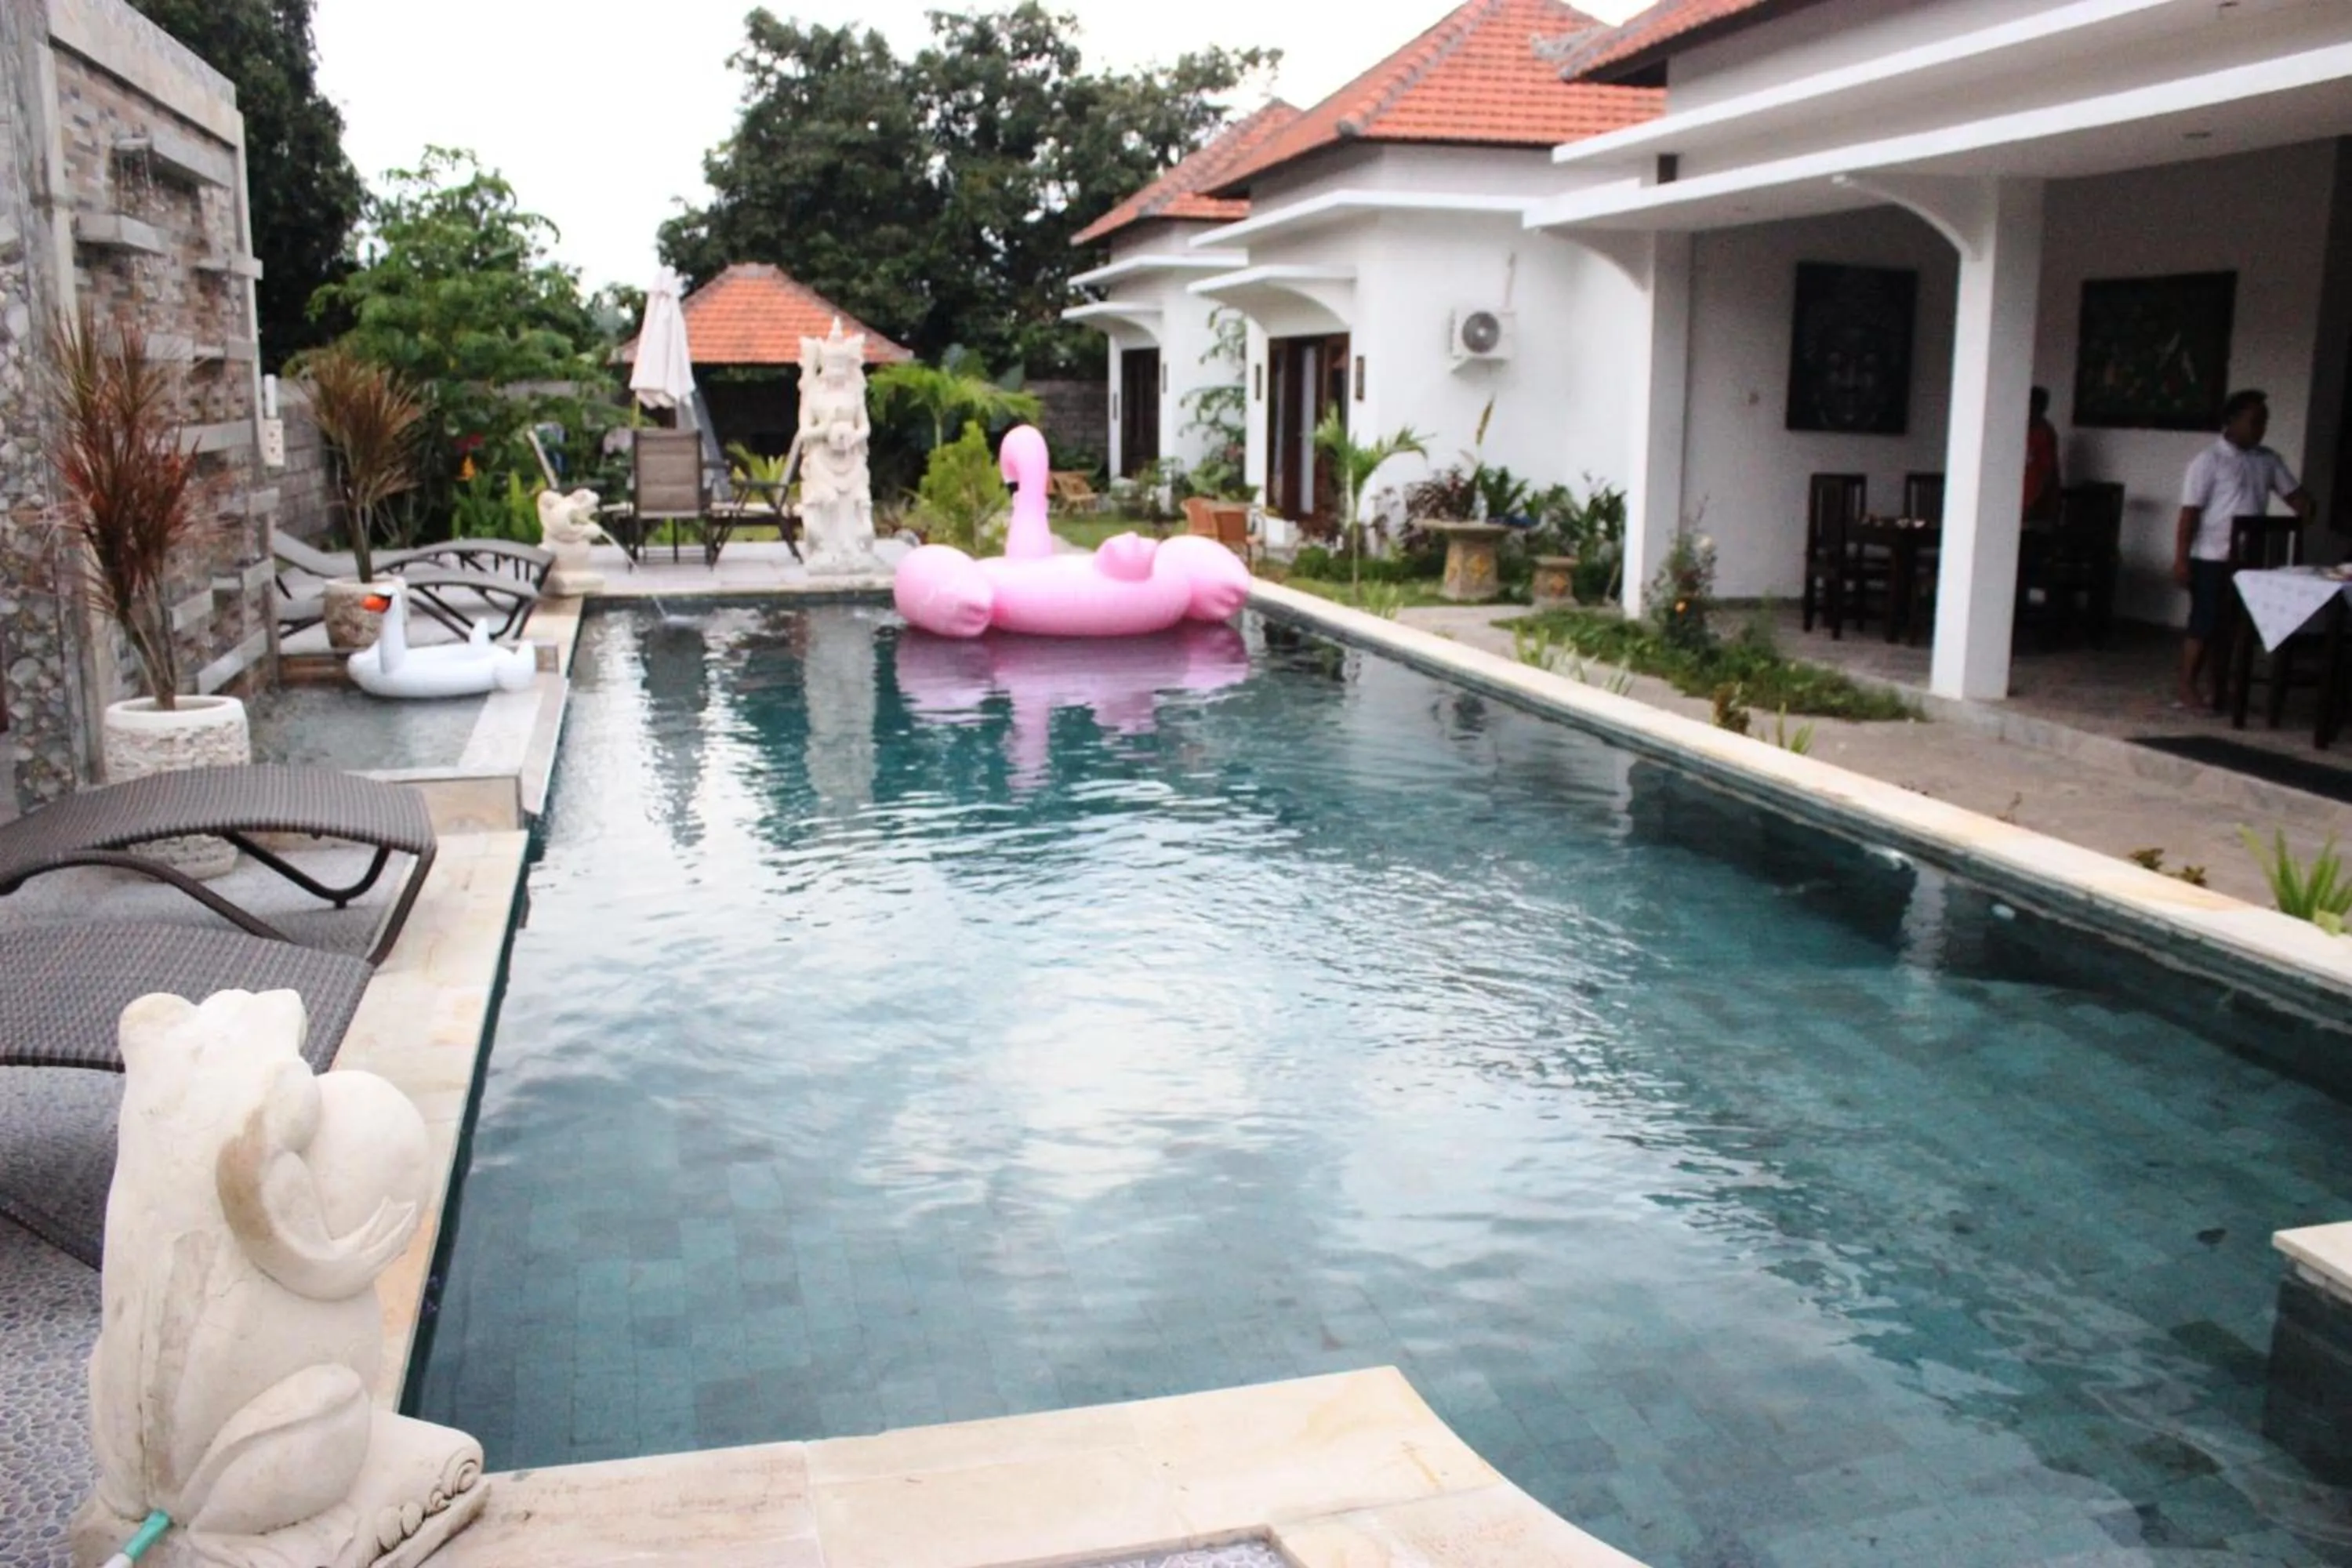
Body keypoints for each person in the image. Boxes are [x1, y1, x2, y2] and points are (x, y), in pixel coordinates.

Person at [2175, 388, 2314, 706]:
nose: (2262, 428)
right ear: (2233, 422)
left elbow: (2295, 497)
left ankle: (2220, 686)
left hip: (2248, 559)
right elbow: (2189, 513)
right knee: (2205, 623)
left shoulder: (2267, 460)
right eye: (2255, 421)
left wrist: (2308, 507)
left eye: (2265, 422)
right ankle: (2187, 685)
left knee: (2234, 626)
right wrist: (2181, 559)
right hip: (2211, 555)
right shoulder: (2208, 461)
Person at [2024, 386, 2060, 522]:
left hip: (2036, 501)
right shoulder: (2020, 428)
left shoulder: (2044, 433)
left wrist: (2039, 501)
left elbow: (2048, 471)